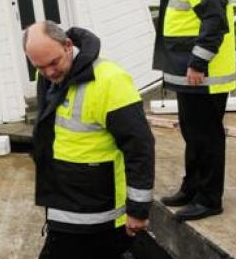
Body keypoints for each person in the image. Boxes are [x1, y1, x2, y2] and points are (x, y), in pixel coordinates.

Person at [23, 21, 155, 259]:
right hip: (64, 201)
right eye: (40, 67)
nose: (49, 73)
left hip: (97, 211)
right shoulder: (48, 75)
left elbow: (140, 147)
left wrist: (138, 210)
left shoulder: (110, 80)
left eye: (54, 63)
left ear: (68, 45)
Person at [153, 0, 236, 221]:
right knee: (193, 132)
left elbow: (215, 20)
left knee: (207, 135)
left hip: (203, 73)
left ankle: (210, 198)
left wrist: (199, 62)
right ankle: (192, 187)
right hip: (187, 69)